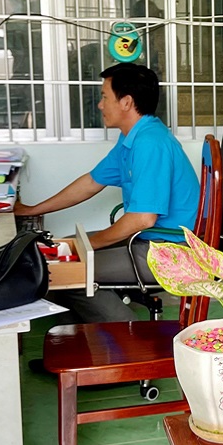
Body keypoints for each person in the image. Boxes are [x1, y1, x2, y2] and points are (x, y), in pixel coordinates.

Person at [15, 63, 199, 322]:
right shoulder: (132, 137)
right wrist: (33, 210)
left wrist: (86, 247)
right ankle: (84, 348)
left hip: (171, 251)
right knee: (50, 253)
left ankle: (132, 341)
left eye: (104, 97)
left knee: (68, 269)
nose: (100, 105)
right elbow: (91, 182)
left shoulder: (150, 144)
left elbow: (143, 218)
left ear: (126, 102)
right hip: (147, 239)